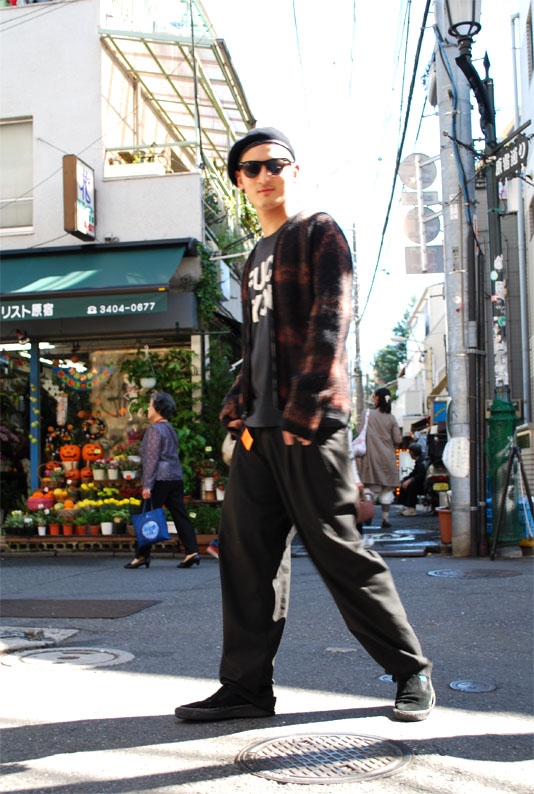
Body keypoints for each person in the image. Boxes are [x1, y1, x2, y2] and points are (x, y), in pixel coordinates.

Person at [174, 127, 434, 723]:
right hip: (258, 431)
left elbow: (331, 318)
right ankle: (246, 688)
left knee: (338, 549)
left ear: (294, 171)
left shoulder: (319, 232)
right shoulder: (252, 258)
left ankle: (410, 671)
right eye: (251, 168)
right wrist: (237, 410)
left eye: (275, 164)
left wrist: (307, 406)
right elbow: (255, 345)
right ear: (239, 182)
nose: (264, 175)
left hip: (308, 425)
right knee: (246, 558)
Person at [124, 392, 199, 569]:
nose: (148, 408)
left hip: (159, 478)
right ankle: (192, 551)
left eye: (150, 405)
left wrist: (147, 485)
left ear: (158, 408)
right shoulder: (170, 428)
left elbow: (151, 459)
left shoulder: (154, 430)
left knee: (146, 515)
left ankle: (141, 556)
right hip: (175, 476)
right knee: (180, 514)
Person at [355, 387, 402, 529]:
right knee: (387, 489)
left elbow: (359, 431)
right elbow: (398, 439)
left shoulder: (367, 413)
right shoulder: (391, 418)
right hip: (388, 457)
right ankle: (385, 518)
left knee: (368, 487)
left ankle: (368, 514)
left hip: (371, 456)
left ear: (376, 398)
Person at [398, 442, 426, 516]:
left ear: (412, 453)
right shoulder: (420, 459)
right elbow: (414, 473)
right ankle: (405, 506)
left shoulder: (422, 461)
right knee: (404, 482)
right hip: (419, 481)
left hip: (422, 483)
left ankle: (411, 508)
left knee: (411, 485)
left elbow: (421, 474)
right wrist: (405, 479)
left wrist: (409, 480)